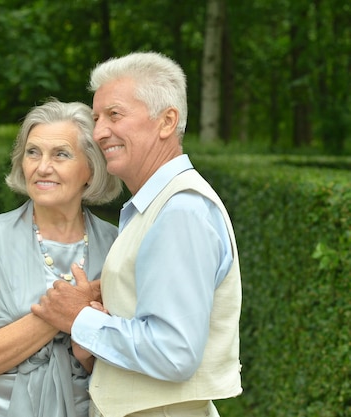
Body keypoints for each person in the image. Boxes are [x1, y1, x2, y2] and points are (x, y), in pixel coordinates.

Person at [31, 52, 242, 417]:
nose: (98, 132)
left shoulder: (180, 211)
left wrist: (79, 318)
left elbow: (174, 353)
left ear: (166, 121)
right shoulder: (156, 206)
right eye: (96, 118)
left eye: (115, 115)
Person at [0, 98, 123, 417]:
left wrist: (86, 349)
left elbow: (124, 361)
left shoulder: (117, 247)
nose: (42, 167)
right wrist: (65, 310)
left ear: (91, 168)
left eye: (61, 154)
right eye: (33, 152)